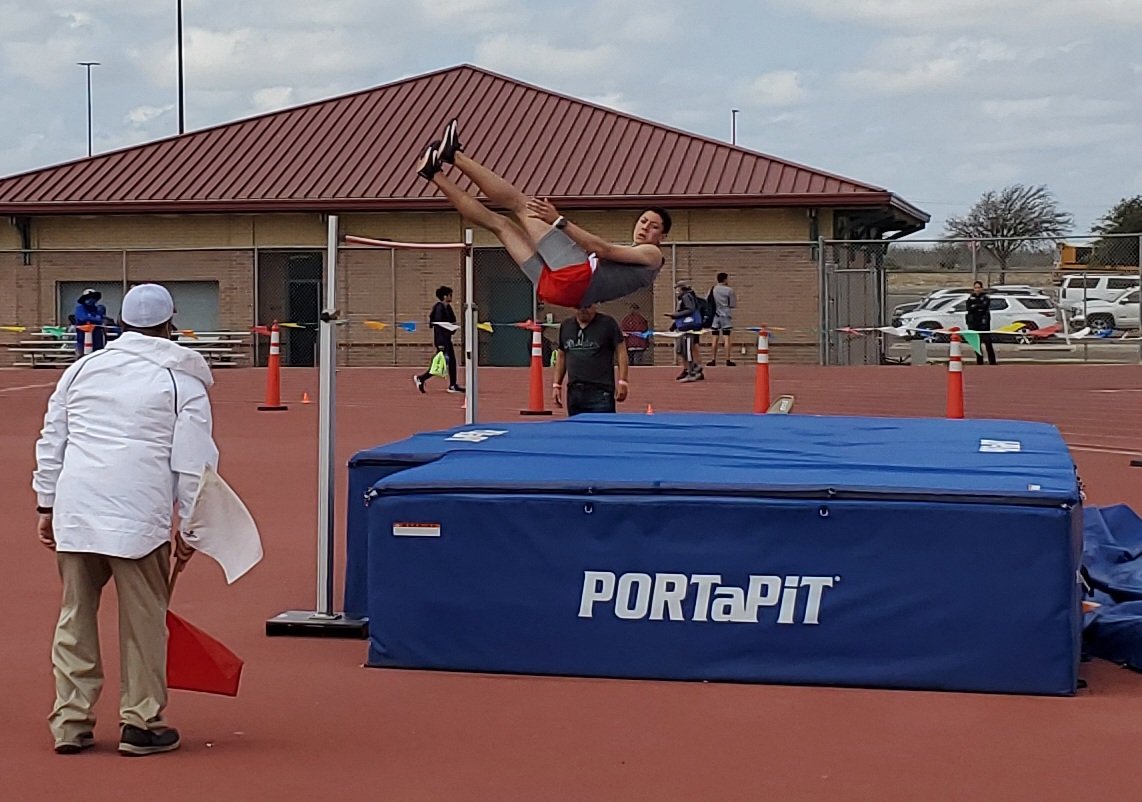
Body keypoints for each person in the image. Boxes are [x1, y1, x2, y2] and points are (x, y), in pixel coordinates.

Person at [33, 282, 218, 757]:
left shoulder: (82, 370)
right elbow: (194, 462)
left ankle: (70, 720)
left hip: (77, 506)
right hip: (139, 515)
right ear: (170, 325)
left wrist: (46, 503)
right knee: (144, 622)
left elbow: (53, 439)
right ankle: (142, 720)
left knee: (75, 616)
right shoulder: (182, 380)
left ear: (121, 323)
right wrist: (193, 526)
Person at [416, 119, 670, 308]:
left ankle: (455, 156)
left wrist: (558, 221)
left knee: (520, 204)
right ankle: (434, 173)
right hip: (558, 291)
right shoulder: (639, 258)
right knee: (500, 225)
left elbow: (601, 249)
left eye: (654, 226)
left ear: (663, 236)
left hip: (576, 278)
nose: (645, 227)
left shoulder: (652, 254)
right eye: (644, 220)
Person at [552, 303, 628, 416]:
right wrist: (556, 385)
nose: (583, 310)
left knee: (602, 429)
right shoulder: (566, 326)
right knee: (577, 429)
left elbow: (621, 350)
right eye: (580, 306)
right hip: (575, 392)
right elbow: (562, 355)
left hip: (600, 391)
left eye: (587, 306)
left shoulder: (607, 324)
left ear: (595, 305)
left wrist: (623, 381)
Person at [414, 285, 464, 394]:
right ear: (445, 296)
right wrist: (441, 343)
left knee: (451, 362)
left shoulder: (448, 307)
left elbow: (452, 321)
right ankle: (421, 378)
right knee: (440, 364)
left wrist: (453, 328)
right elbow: (439, 325)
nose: (452, 297)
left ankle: (452, 385)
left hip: (447, 339)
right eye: (450, 295)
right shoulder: (439, 308)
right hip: (441, 340)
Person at [668, 282, 704, 382]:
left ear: (681, 288)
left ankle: (692, 369)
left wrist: (675, 316)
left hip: (689, 327)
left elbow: (690, 310)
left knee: (687, 349)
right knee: (682, 349)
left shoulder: (686, 296)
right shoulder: (684, 297)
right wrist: (674, 325)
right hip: (685, 326)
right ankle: (690, 368)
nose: (676, 291)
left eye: (677, 288)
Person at [706, 272, 737, 367]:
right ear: (724, 279)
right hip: (725, 315)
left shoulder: (712, 289)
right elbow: (732, 304)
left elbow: (707, 301)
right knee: (726, 337)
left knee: (714, 337)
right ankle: (728, 359)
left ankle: (713, 359)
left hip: (715, 316)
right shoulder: (729, 290)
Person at [965, 281, 997, 365]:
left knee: (988, 344)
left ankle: (992, 362)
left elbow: (984, 307)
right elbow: (969, 309)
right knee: (976, 345)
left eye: (979, 287)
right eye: (976, 287)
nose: (977, 289)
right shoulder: (970, 298)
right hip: (974, 324)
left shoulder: (985, 298)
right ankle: (979, 361)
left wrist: (975, 305)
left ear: (982, 288)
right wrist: (976, 306)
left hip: (984, 325)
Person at [72, 288, 109, 355]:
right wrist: (96, 319)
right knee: (82, 357)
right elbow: (83, 318)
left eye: (93, 297)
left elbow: (103, 320)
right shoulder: (80, 308)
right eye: (88, 298)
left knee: (97, 355)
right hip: (83, 339)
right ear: (84, 299)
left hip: (97, 338)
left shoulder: (98, 309)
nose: (91, 299)